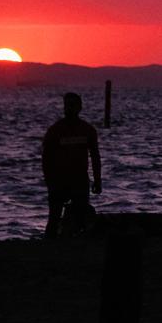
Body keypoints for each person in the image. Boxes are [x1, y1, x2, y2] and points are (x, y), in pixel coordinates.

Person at [42, 92, 101, 237]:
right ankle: (48, 245)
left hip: (79, 180)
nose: (69, 108)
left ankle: (76, 246)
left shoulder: (88, 130)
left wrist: (97, 180)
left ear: (80, 107)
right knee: (54, 218)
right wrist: (49, 180)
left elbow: (95, 157)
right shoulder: (55, 130)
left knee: (80, 218)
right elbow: (46, 158)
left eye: (73, 105)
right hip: (59, 181)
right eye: (67, 105)